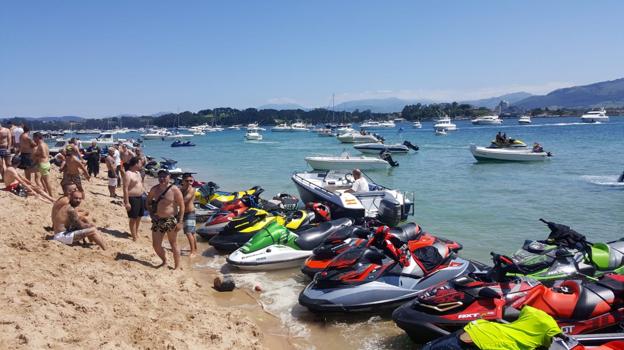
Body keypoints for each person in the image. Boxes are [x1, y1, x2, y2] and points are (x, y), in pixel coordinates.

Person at [147, 170, 185, 270]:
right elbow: (148, 202)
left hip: (171, 220)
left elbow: (182, 206)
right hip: (158, 220)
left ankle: (177, 266)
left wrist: (180, 222)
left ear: (169, 177)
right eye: (160, 177)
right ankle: (164, 261)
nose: (162, 179)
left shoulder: (174, 190)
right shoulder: (154, 189)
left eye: (164, 176)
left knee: (173, 243)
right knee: (156, 245)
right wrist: (151, 214)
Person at [123, 156, 145, 241]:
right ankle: (134, 236)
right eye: (140, 163)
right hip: (132, 198)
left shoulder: (138, 173)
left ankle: (136, 232)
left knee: (139, 217)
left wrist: (145, 192)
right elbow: (125, 188)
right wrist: (126, 202)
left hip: (141, 197)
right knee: (133, 218)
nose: (141, 165)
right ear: (136, 163)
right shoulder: (128, 173)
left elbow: (140, 184)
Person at [179, 173, 198, 257]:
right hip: (185, 212)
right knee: (192, 232)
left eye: (191, 181)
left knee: (189, 232)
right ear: (183, 181)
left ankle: (193, 251)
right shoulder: (181, 189)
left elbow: (184, 200)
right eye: (187, 181)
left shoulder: (192, 190)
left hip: (190, 212)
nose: (190, 182)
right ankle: (195, 249)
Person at [32, 132, 53, 197]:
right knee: (41, 179)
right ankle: (46, 192)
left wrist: (36, 155)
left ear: (37, 137)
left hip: (43, 164)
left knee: (47, 181)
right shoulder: (45, 144)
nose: (33, 139)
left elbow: (44, 155)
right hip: (46, 164)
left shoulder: (41, 145)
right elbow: (48, 154)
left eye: (34, 137)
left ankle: (51, 196)